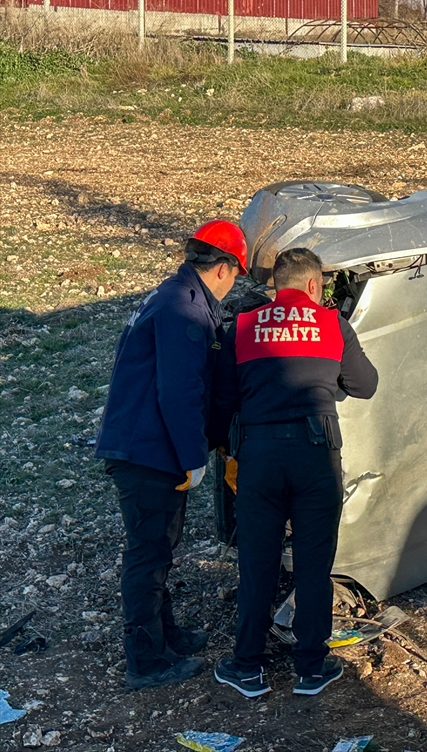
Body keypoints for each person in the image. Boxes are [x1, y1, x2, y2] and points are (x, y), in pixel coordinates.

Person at [211, 247, 378, 698]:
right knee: (313, 561)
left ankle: (246, 665)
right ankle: (311, 666)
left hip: (260, 454)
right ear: (311, 285)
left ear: (276, 285)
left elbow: (222, 397)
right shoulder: (332, 325)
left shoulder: (243, 328)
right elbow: (365, 385)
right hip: (316, 451)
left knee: (257, 561)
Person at [96, 220, 248, 689]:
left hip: (139, 441)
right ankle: (147, 661)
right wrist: (194, 455)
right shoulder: (183, 309)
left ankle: (167, 636)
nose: (234, 285)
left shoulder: (169, 295)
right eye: (236, 275)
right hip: (150, 450)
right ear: (223, 268)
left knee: (160, 547)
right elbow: (181, 390)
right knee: (149, 553)